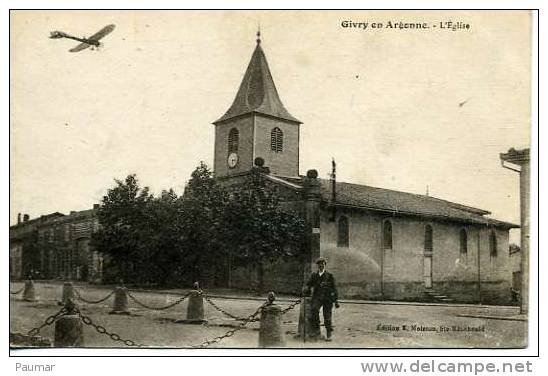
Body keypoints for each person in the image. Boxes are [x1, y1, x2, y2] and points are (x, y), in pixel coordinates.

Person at [305, 257, 339, 341]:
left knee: (327, 316)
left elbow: (334, 288)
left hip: (328, 299)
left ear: (325, 265)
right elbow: (309, 284)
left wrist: (336, 300)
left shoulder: (329, 276)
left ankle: (329, 334)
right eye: (319, 264)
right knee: (314, 310)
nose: (321, 266)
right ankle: (316, 329)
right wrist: (307, 290)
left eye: (323, 264)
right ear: (317, 265)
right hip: (317, 298)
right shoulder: (314, 275)